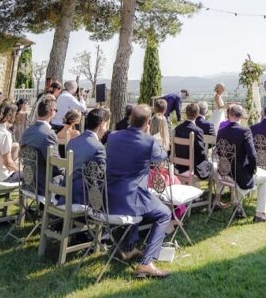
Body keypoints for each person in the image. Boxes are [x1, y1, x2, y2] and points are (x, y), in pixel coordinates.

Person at [105, 104, 172, 279]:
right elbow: (162, 156)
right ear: (148, 122)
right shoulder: (148, 141)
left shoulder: (113, 136)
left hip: (108, 197)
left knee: (142, 205)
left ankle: (129, 248)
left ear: (130, 119)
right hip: (131, 198)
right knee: (164, 213)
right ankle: (146, 263)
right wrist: (149, 136)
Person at [216, 103, 266, 223]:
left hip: (224, 173)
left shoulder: (221, 131)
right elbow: (252, 155)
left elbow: (219, 152)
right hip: (238, 176)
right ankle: (260, 214)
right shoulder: (245, 131)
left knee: (241, 171)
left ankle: (238, 209)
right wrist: (253, 170)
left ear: (229, 115)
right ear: (241, 116)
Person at [20, 95, 61, 195]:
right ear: (51, 111)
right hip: (42, 186)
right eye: (56, 110)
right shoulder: (49, 134)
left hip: (27, 182)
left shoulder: (27, 131)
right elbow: (56, 165)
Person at [67, 108, 108, 205]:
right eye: (106, 125)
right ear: (101, 124)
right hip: (82, 199)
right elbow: (102, 177)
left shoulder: (72, 142)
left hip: (66, 194)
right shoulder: (98, 147)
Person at [173, 103, 209, 178]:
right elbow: (201, 153)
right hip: (191, 168)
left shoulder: (177, 129)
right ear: (197, 114)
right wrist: (207, 158)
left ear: (186, 113)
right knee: (211, 167)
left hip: (178, 167)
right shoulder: (198, 131)